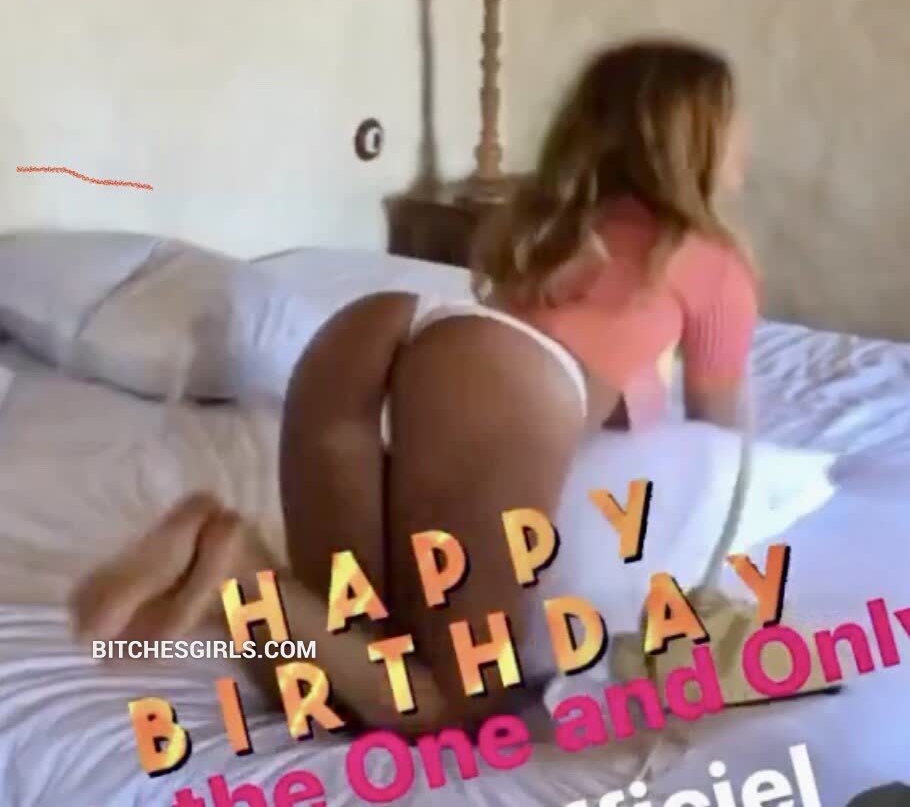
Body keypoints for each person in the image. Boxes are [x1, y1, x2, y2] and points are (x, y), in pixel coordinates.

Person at [70, 37, 758, 739]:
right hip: (483, 381)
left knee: (341, 684)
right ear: (697, 139)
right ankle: (231, 572)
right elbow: (727, 446)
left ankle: (228, 554)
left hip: (370, 335)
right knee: (458, 707)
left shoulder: (551, 228)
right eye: (735, 123)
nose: (746, 142)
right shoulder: (707, 259)